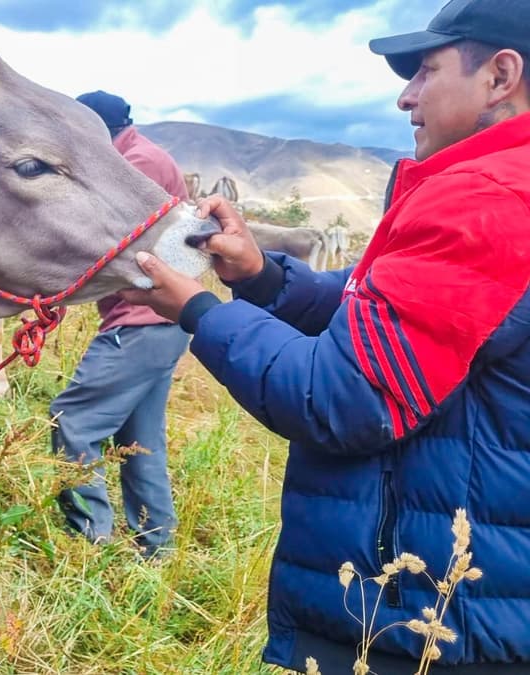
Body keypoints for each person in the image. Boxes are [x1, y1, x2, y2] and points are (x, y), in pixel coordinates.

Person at [119, 0, 530, 671]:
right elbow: (381, 310)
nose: (406, 96)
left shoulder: (487, 201)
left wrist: (199, 310)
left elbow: (343, 398)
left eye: (426, 71)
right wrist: (259, 276)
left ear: (501, 76)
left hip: (430, 620)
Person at [50, 90, 189, 556]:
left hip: (140, 323)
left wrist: (56, 287)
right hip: (160, 322)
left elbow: (102, 240)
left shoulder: (135, 166)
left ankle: (89, 545)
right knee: (140, 443)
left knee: (73, 422)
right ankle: (157, 550)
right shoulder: (141, 155)